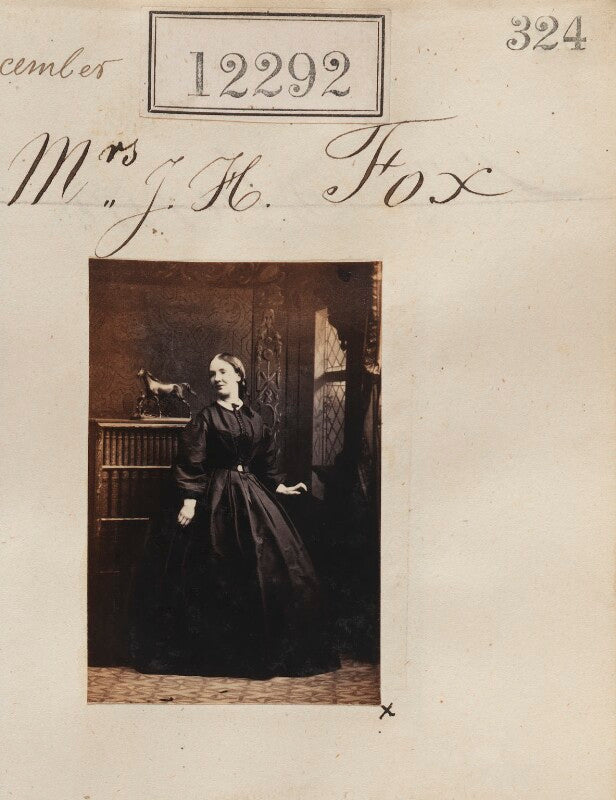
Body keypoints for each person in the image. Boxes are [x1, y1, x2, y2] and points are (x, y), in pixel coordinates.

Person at [129, 352, 339, 679]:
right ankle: (218, 654)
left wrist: (280, 487)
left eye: (223, 372)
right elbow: (191, 461)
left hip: (252, 493)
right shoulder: (206, 418)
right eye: (212, 374)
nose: (216, 379)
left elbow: (265, 462)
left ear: (239, 375)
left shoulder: (255, 419)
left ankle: (259, 649)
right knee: (213, 566)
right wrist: (190, 501)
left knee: (267, 562)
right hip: (214, 498)